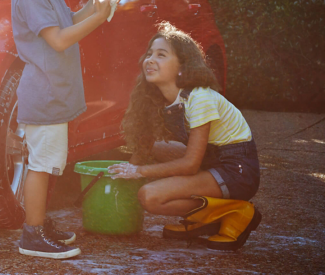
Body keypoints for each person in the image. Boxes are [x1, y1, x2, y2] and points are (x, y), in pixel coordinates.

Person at [0, 0, 122, 259]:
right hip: (45, 96)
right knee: (42, 165)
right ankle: (31, 235)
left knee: (50, 163)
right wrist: (98, 18)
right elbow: (58, 40)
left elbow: (67, 23)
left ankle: (39, 223)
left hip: (52, 94)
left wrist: (94, 5)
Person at [108, 22, 261, 251]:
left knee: (150, 196)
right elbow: (145, 148)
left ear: (182, 66)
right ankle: (207, 217)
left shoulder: (200, 98)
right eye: (149, 54)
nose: (150, 59)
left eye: (161, 55)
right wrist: (120, 182)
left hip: (237, 171)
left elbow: (190, 164)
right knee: (155, 147)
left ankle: (232, 212)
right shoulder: (161, 98)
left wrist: (139, 172)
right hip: (212, 160)